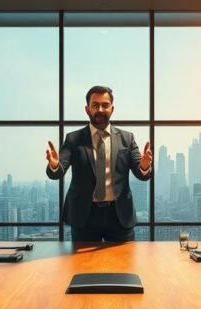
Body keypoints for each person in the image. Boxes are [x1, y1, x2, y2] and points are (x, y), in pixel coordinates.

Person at [45, 85, 153, 241]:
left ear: (112, 109)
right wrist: (54, 164)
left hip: (119, 215)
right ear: (87, 109)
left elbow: (141, 174)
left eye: (105, 105)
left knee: (123, 264)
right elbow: (58, 171)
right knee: (84, 265)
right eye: (95, 105)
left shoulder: (127, 138)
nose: (100, 109)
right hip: (85, 216)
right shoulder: (73, 139)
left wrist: (144, 165)